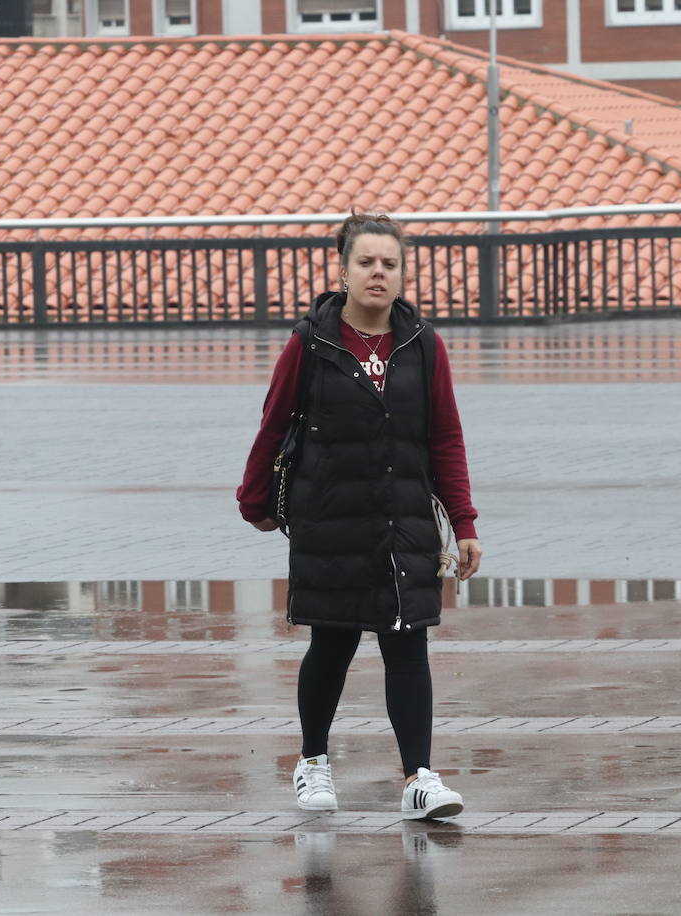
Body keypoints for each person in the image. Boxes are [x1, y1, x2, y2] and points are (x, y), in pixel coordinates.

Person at [237, 211, 483, 821]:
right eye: (366, 261)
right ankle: (313, 763)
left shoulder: (423, 345)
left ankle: (419, 778)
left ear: (403, 273)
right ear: (342, 270)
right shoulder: (310, 343)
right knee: (333, 641)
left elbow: (445, 438)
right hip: (330, 520)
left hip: (403, 520)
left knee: (408, 644)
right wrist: (255, 502)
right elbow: (273, 424)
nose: (378, 273)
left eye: (390, 263)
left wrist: (466, 522)